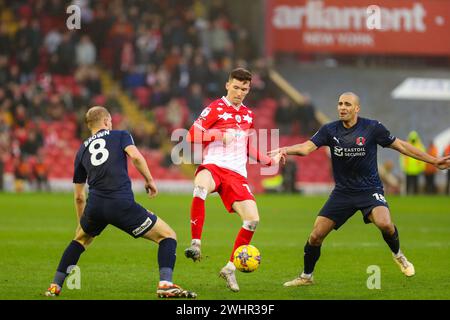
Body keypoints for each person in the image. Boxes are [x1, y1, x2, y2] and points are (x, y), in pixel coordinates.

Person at [270, 92, 450, 287]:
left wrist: (432, 160)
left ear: (357, 108)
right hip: (343, 192)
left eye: (347, 104)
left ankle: (398, 256)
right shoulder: (330, 130)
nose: (342, 107)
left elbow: (401, 146)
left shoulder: (372, 127)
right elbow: (306, 148)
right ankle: (306, 277)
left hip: (369, 189)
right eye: (340, 104)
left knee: (385, 224)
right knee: (315, 236)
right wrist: (285, 149)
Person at [45, 106, 196, 298]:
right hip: (120, 203)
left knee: (80, 240)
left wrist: (83, 222)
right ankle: (165, 284)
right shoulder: (120, 135)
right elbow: (135, 156)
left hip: (95, 206)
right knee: (168, 236)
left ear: (89, 125)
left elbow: (79, 196)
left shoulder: (81, 150)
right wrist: (149, 179)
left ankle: (54, 287)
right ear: (107, 121)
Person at [184, 68, 284, 292]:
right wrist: (218, 135)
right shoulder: (214, 108)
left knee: (252, 220)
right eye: (236, 87)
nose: (239, 92)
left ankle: (230, 268)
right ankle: (195, 243)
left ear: (249, 90)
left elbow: (247, 146)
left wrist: (269, 161)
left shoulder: (248, 115)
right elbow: (191, 135)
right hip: (214, 166)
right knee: (200, 186)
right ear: (227, 85)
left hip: (237, 174)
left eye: (244, 89)